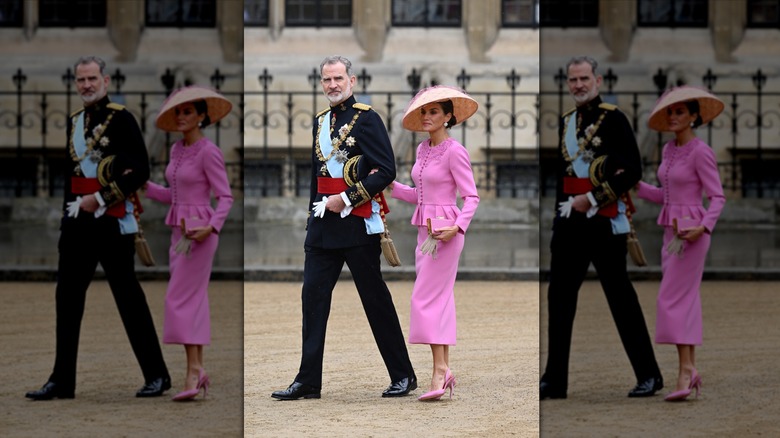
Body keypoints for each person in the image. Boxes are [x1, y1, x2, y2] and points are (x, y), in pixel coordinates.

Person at [271, 55, 416, 400]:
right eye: (326, 80)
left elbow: (385, 170)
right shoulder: (320, 121)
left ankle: (403, 376)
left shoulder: (367, 120)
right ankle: (308, 381)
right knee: (312, 301)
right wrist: (313, 216)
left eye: (338, 78)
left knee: (375, 300)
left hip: (356, 224)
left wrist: (348, 198)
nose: (332, 85)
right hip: (322, 228)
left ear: (351, 80)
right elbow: (316, 177)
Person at [25, 56, 171, 400]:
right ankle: (62, 380)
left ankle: (157, 376)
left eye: (92, 79)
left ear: (105, 80)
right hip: (77, 224)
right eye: (81, 80)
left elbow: (140, 170)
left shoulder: (122, 119)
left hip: (111, 220)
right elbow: (70, 178)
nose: (86, 85)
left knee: (128, 298)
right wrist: (67, 216)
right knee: (67, 299)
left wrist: (102, 198)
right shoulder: (75, 122)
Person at [540, 56, 663, 400]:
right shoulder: (566, 121)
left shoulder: (615, 119)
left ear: (598, 80)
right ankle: (555, 380)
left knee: (621, 300)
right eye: (572, 79)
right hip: (569, 225)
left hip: (605, 222)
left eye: (583, 78)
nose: (578, 85)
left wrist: (593, 199)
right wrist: (559, 219)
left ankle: (649, 375)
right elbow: (563, 179)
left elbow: (632, 170)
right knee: (559, 301)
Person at [636, 86, 726, 402]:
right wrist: (635, 185)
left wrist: (704, 226)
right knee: (683, 300)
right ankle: (689, 369)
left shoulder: (701, 151)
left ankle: (686, 371)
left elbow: (717, 196)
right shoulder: (668, 151)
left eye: (680, 112)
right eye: (670, 112)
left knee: (671, 299)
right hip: (670, 233)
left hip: (693, 234)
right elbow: (667, 195)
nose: (674, 117)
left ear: (693, 117)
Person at [390, 86, 479, 401]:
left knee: (424, 299)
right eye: (424, 112)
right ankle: (443, 369)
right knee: (438, 301)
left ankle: (440, 371)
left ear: (448, 117)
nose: (427, 117)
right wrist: (390, 185)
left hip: (447, 234)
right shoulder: (422, 150)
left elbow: (471, 197)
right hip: (423, 233)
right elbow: (421, 195)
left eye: (434, 112)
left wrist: (458, 227)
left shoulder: (456, 151)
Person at [144, 86, 234, 401]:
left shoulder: (209, 151)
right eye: (178, 112)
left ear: (201, 117)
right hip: (178, 233)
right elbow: (175, 195)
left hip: (200, 234)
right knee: (190, 301)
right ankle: (196, 369)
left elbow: (225, 196)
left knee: (179, 300)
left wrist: (212, 226)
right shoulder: (176, 150)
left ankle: (193, 372)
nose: (181, 117)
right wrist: (144, 186)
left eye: (187, 112)